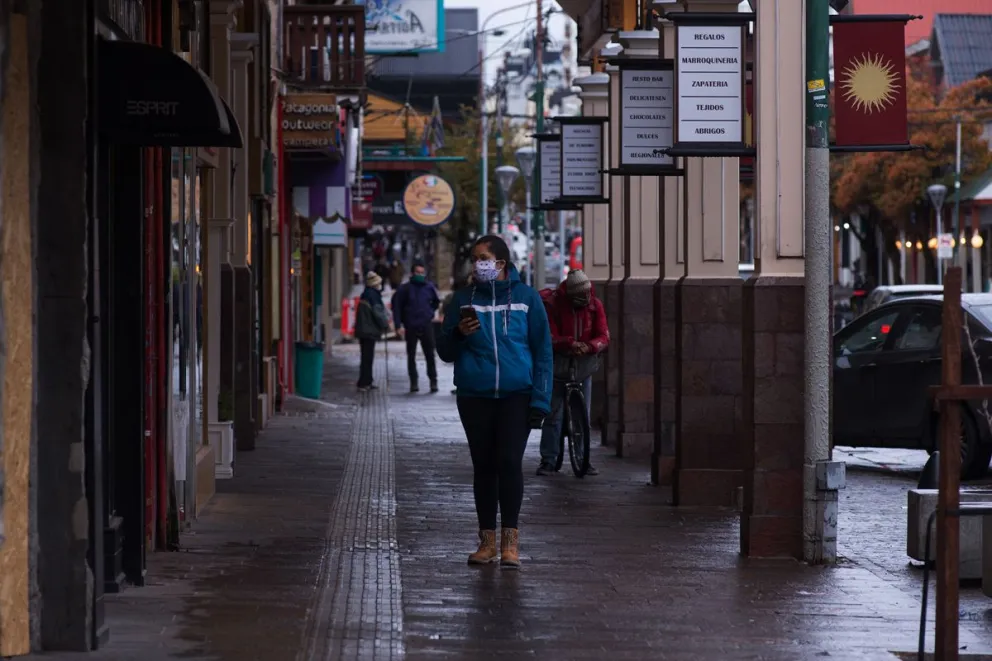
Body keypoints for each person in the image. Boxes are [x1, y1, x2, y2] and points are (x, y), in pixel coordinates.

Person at [437, 235, 553, 569]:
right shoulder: (462, 299)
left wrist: (541, 400)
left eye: (483, 258)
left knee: (508, 462)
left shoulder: (526, 299)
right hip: (475, 396)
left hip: (517, 396)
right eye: (475, 259)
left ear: (501, 263)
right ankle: (486, 542)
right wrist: (459, 333)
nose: (478, 265)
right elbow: (445, 351)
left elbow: (543, 351)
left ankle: (510, 544)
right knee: (484, 466)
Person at [537, 269, 610, 477]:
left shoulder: (595, 306)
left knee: (583, 416)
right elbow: (548, 334)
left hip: (583, 366)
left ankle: (583, 458)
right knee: (553, 414)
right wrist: (568, 343)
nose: (584, 300)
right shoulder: (552, 305)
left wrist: (590, 346)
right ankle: (549, 460)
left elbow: (603, 335)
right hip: (559, 365)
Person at [392, 262, 441, 393]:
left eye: (422, 272)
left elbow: (436, 302)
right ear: (412, 273)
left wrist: (429, 313)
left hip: (426, 325)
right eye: (417, 272)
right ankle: (414, 382)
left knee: (430, 354)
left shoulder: (429, 287)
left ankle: (433, 381)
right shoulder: (404, 289)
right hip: (411, 325)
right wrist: (398, 325)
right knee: (411, 355)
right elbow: (396, 307)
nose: (420, 275)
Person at [354, 271, 390, 391]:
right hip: (369, 331)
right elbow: (378, 312)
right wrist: (385, 324)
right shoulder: (373, 295)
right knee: (367, 358)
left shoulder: (366, 294)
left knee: (366, 357)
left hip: (363, 330)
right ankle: (364, 382)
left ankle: (367, 380)